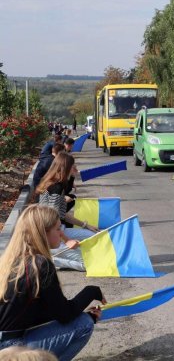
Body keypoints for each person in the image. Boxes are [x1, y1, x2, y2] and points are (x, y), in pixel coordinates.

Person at [0, 205, 105, 360]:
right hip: (10, 347)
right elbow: (65, 315)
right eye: (57, 229)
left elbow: (41, 312)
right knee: (84, 323)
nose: (61, 233)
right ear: (43, 233)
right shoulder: (40, 265)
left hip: (6, 338)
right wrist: (92, 291)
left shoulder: (11, 259)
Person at [35, 153, 99, 271]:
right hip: (50, 236)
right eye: (73, 166)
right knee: (87, 264)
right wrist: (67, 240)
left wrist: (86, 226)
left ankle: (53, 255)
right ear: (66, 168)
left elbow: (62, 215)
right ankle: (49, 259)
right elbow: (51, 222)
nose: (75, 168)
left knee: (93, 236)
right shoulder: (56, 188)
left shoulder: (56, 184)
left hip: (58, 230)